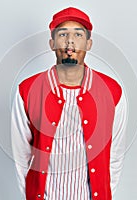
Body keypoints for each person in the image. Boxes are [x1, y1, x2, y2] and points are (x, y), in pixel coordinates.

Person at [11, 7, 127, 200]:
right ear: (52, 43)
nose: (70, 41)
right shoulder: (27, 90)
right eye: (63, 34)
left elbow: (114, 158)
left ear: (89, 43)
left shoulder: (112, 92)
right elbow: (20, 158)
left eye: (78, 34)